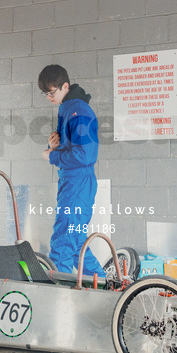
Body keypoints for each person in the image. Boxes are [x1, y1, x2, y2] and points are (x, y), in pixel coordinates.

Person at [38, 64, 105, 276]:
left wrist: (52, 156)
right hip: (72, 183)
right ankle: (109, 289)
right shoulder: (67, 108)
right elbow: (74, 149)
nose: (48, 97)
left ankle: (57, 298)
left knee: (64, 242)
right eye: (45, 93)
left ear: (65, 86)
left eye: (51, 92)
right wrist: (54, 147)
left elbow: (85, 155)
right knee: (76, 247)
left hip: (78, 184)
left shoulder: (79, 111)